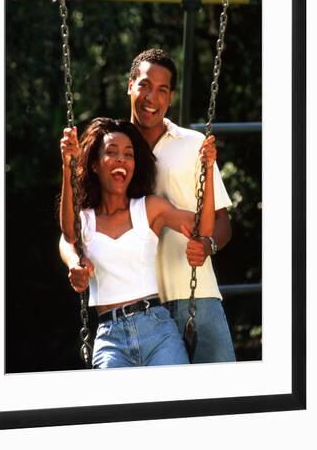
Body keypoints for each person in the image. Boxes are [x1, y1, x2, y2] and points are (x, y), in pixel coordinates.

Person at [61, 48, 235, 364]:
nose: (151, 97)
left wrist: (207, 245)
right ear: (130, 85)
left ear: (170, 97)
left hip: (192, 291)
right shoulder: (114, 149)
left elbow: (221, 222)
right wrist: (74, 261)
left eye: (162, 89)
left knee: (222, 397)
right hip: (133, 302)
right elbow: (76, 227)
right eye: (143, 85)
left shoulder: (194, 144)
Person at [60, 117, 217, 368]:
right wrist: (68, 167)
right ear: (94, 165)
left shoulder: (149, 208)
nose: (121, 159)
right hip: (110, 338)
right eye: (111, 152)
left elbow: (204, 229)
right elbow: (67, 235)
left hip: (158, 330)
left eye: (128, 154)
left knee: (174, 405)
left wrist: (207, 169)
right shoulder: (85, 220)